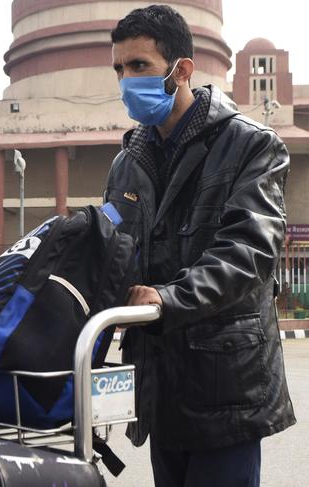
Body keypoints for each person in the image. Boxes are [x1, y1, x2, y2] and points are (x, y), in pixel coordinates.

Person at [105, 5, 295, 486]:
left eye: (140, 66)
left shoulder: (251, 145)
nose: (127, 81)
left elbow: (249, 250)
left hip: (224, 383)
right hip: (158, 385)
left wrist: (167, 298)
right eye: (120, 69)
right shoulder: (127, 163)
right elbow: (112, 254)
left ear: (181, 69)